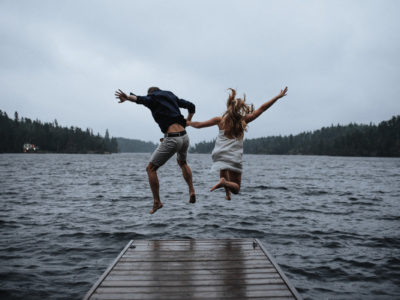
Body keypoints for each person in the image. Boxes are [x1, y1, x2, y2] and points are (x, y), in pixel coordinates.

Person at [187, 87, 288, 200]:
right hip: (234, 157)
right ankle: (227, 188)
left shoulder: (219, 120)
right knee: (237, 188)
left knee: (223, 169)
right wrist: (277, 97)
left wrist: (188, 123)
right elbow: (262, 108)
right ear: (239, 109)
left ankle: (226, 193)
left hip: (219, 153)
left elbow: (199, 125)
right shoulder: (243, 120)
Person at [115, 87, 196, 214]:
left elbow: (139, 99)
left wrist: (127, 98)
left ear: (150, 93)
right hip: (184, 137)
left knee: (150, 169)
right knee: (183, 163)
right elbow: (191, 106)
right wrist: (188, 121)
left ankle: (157, 201)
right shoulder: (171, 96)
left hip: (173, 139)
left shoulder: (152, 98)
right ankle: (191, 190)